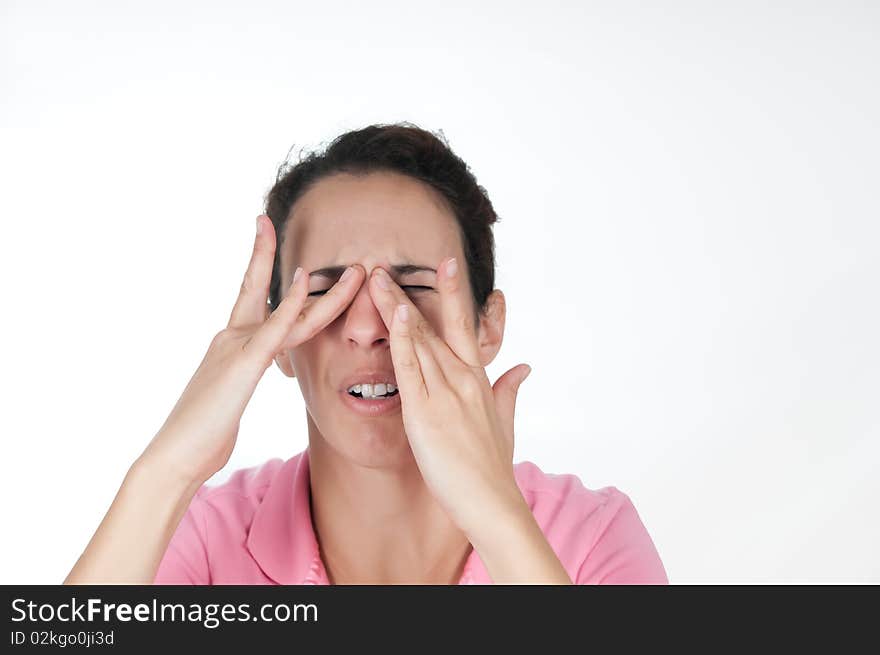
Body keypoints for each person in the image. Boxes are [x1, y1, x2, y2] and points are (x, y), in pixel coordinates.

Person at [64, 123, 668, 585]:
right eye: (324, 293)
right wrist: (166, 472)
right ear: (275, 343)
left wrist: (496, 517)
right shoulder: (198, 538)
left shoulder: (590, 536)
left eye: (411, 287)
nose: (367, 329)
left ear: (488, 326)